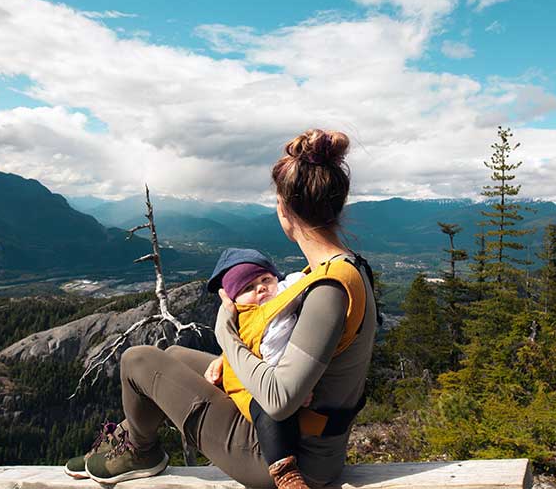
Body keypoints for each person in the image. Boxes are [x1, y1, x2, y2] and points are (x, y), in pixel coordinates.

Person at [64, 128, 378, 489]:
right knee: (176, 356)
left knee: (138, 360)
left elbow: (278, 400)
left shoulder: (328, 290)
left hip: (290, 458)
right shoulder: (346, 269)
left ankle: (140, 449)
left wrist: (226, 333)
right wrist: (233, 360)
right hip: (307, 439)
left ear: (283, 208)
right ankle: (128, 440)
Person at [204, 248, 310, 486]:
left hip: (277, 378)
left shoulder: (283, 297)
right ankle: (285, 473)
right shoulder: (247, 317)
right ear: (234, 300)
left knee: (277, 408)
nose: (260, 288)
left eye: (265, 280)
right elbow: (249, 344)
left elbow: (300, 281)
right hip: (251, 385)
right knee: (268, 411)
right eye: (248, 288)